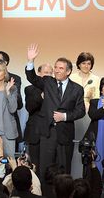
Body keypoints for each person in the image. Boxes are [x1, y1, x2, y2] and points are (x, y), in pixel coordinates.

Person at [25, 44, 85, 178]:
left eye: (61, 68)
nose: (57, 71)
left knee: (64, 170)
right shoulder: (47, 82)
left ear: (68, 71)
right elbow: (32, 78)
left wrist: (64, 116)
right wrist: (30, 61)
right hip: (47, 133)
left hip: (65, 134)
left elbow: (80, 111)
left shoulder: (77, 89)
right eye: (56, 67)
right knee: (45, 169)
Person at [24, 63, 53, 172]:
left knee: (48, 167)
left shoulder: (56, 89)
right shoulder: (29, 89)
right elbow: (29, 108)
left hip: (50, 133)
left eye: (51, 73)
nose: (49, 75)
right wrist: (41, 98)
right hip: (34, 132)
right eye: (46, 73)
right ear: (39, 74)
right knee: (34, 165)